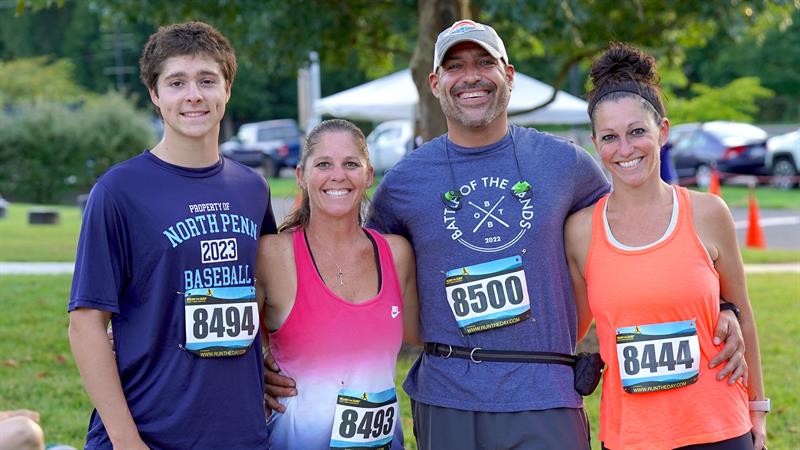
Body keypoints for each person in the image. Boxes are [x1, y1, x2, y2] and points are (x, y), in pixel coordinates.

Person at [266, 20, 745, 449]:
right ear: (435, 83)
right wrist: (275, 359)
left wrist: (723, 307)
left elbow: (634, 236)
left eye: (484, 63)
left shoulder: (566, 164)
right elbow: (356, 279)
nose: (470, 76)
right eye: (455, 66)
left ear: (509, 75)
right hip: (448, 397)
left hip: (545, 392)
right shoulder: (405, 181)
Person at [68, 21, 275, 449]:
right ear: (154, 94)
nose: (193, 95)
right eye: (177, 82)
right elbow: (86, 325)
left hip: (240, 433)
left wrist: (267, 361)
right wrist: (127, 442)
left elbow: (263, 292)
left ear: (227, 89)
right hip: (150, 432)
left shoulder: (252, 189)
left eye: (207, 80)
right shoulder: (119, 191)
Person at [565, 43, 767, 450]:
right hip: (631, 437)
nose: (625, 149)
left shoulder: (709, 213)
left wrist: (757, 410)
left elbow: (742, 314)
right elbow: (569, 328)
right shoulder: (581, 231)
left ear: (663, 131)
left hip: (719, 429)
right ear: (595, 143)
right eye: (610, 137)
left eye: (637, 131)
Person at [257, 119, 419, 449]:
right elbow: (233, 348)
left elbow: (426, 337)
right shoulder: (273, 255)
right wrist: (255, 374)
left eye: (351, 164)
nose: (338, 175)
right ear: (301, 176)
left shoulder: (396, 254)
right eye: (323, 164)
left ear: (369, 174)